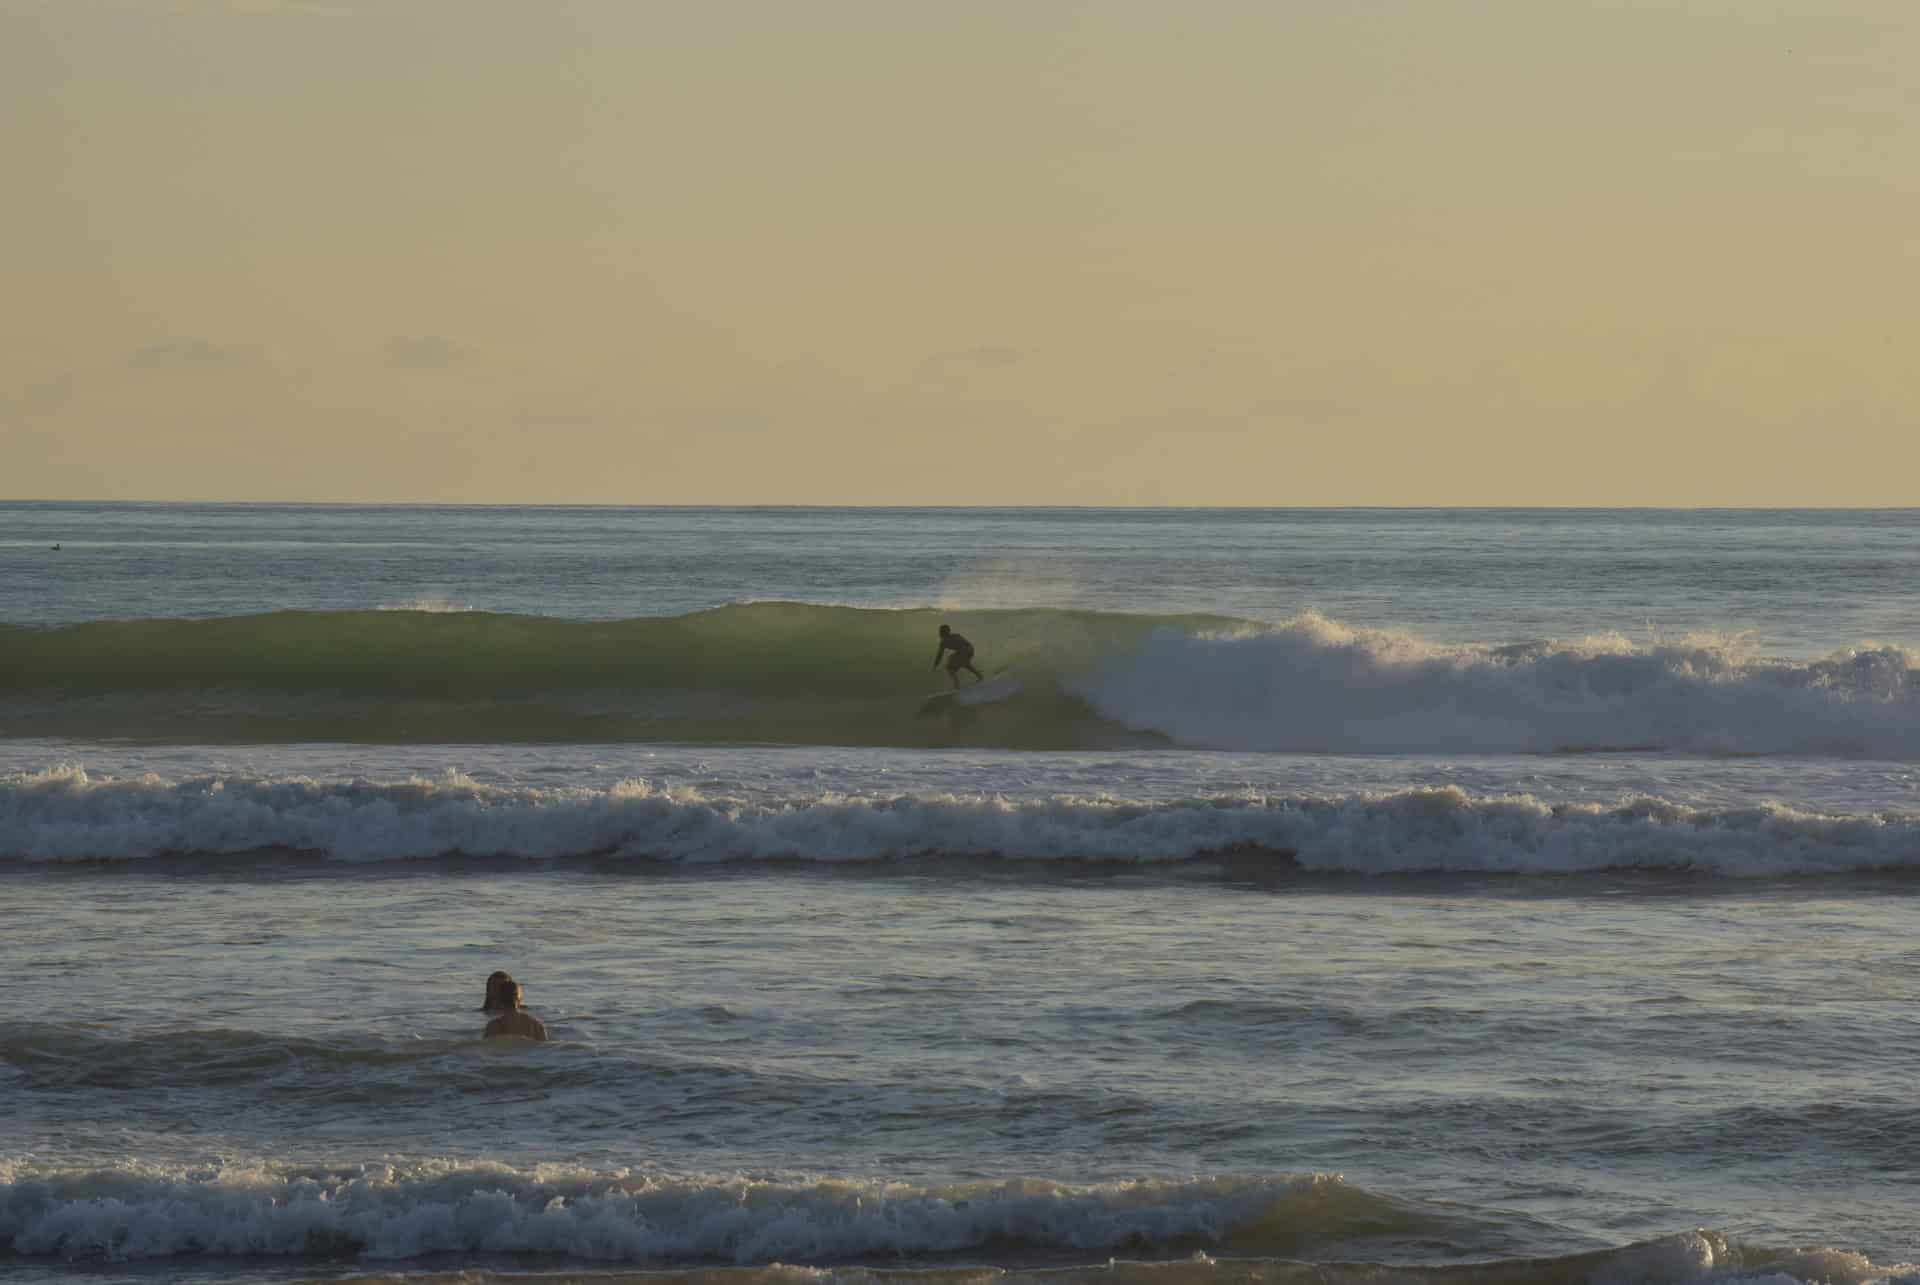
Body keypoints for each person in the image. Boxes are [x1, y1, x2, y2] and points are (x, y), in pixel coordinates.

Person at [479, 970, 549, 1041]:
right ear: (520, 997)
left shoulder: (493, 1026)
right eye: (494, 986)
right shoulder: (536, 1025)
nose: (495, 990)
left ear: (499, 998)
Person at [931, 624, 984, 688]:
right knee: (965, 664)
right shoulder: (956, 635)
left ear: (942, 633)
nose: (939, 633)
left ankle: (957, 685)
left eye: (940, 631)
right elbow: (966, 644)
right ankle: (980, 676)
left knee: (949, 667)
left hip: (964, 651)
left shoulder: (943, 641)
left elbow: (939, 655)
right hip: (970, 649)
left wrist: (935, 666)